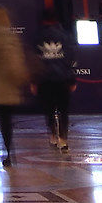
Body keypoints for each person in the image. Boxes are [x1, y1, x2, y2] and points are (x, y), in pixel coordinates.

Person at [0, 8, 31, 160]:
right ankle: (10, 151)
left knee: (4, 121)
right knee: (7, 120)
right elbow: (13, 62)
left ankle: (9, 150)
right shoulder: (8, 37)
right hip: (8, 86)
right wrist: (19, 77)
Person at [33, 16, 74, 151]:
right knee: (64, 111)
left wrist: (34, 80)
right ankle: (63, 139)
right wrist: (72, 79)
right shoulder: (65, 36)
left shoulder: (39, 36)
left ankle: (52, 135)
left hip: (45, 79)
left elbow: (35, 60)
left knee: (49, 110)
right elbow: (70, 59)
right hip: (63, 79)